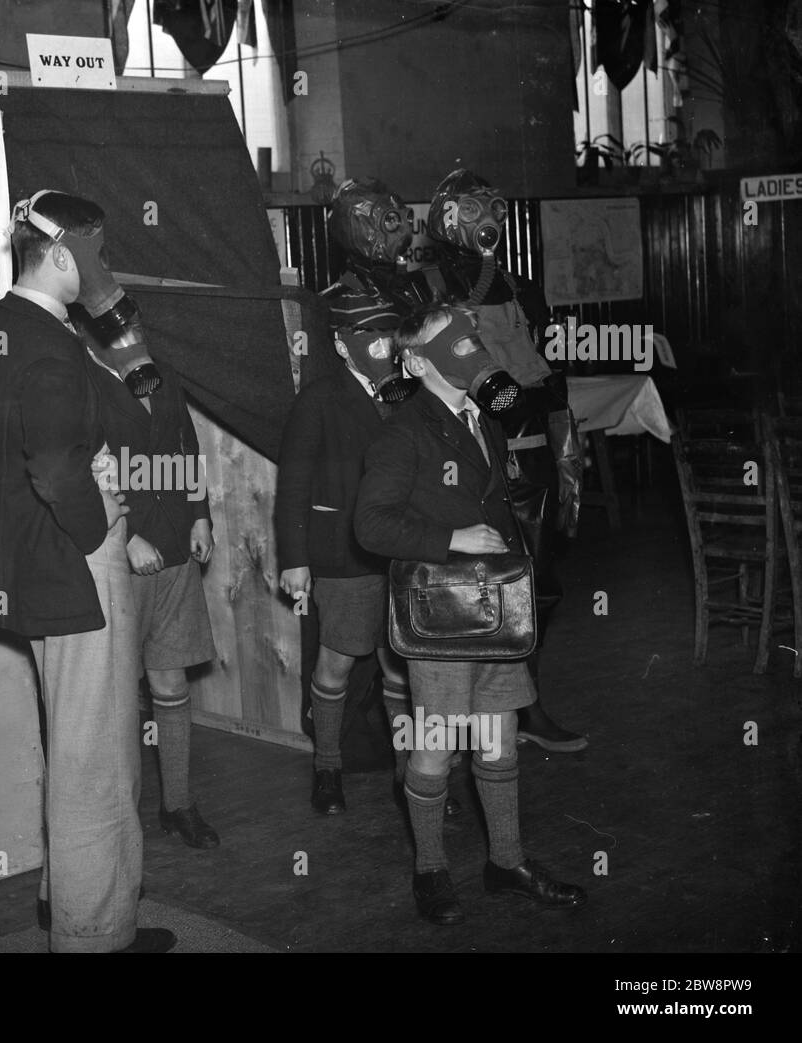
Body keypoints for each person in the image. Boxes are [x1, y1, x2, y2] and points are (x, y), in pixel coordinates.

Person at [0, 189, 173, 954]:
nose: (103, 269)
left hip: (15, 565)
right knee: (96, 757)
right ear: (64, 256)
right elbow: (57, 469)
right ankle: (94, 933)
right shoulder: (51, 343)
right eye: (96, 253)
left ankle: (60, 897)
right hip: (73, 564)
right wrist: (100, 518)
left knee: (70, 740)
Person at [355, 302, 587, 925]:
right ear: (413, 360)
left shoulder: (484, 418)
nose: (469, 344)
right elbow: (371, 524)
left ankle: (504, 862)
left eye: (469, 333)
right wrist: (453, 540)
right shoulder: (401, 429)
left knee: (501, 743)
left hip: (496, 610)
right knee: (434, 749)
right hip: (442, 617)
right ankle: (430, 870)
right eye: (447, 338)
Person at [278, 177, 453, 817]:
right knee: (335, 667)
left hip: (405, 553)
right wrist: (294, 559)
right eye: (374, 340)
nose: (385, 351)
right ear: (347, 341)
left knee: (403, 675)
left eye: (391, 340)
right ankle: (328, 769)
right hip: (345, 556)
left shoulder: (414, 402)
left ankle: (415, 778)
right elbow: (293, 485)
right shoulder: (321, 398)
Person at [421, 169, 588, 754]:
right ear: (447, 215)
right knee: (479, 589)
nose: (485, 219)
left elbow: (551, 376)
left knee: (539, 587)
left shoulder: (520, 288)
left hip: (534, 455)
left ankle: (523, 706)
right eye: (471, 208)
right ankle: (479, 714)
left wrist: (565, 451)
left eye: (492, 207)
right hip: (474, 463)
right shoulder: (430, 287)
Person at [81, 332, 220, 848]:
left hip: (176, 547)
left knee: (171, 682)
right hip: (123, 550)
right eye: (116, 332)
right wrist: (129, 535)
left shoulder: (158, 373)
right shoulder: (82, 381)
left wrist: (200, 516)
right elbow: (84, 467)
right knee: (115, 693)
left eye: (133, 330)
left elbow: (185, 444)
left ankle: (178, 804)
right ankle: (115, 822)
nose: (130, 341)